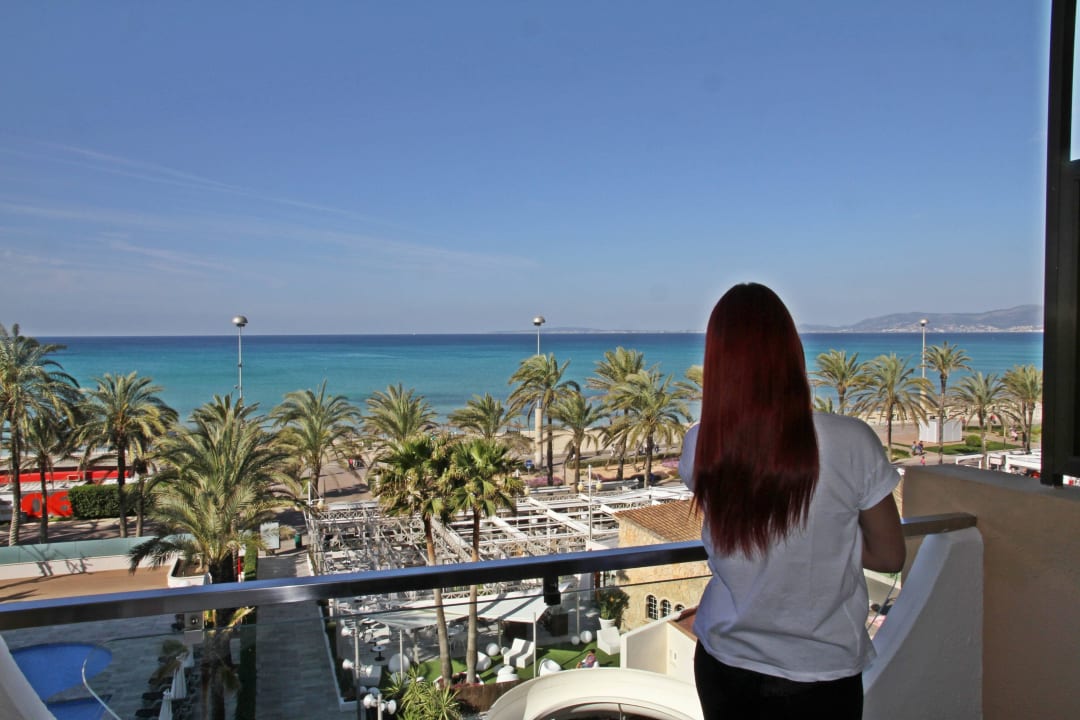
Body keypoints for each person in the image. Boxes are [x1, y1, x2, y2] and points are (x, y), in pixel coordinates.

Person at [679, 283, 905, 720]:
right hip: (822, 671)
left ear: (718, 363)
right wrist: (830, 541)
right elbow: (889, 555)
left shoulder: (701, 445)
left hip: (724, 661)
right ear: (791, 351)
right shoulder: (851, 441)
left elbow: (748, 521)